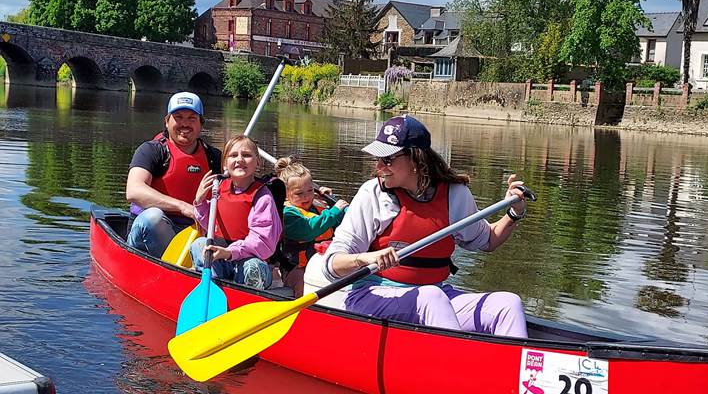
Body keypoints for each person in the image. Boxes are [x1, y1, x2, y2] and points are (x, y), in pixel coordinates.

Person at [318, 115, 529, 338]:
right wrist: (365, 258)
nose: (379, 166)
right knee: (431, 298)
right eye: (378, 158)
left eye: (388, 159)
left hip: (435, 296)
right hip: (372, 297)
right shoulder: (373, 194)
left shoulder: (455, 195)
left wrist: (514, 212)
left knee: (508, 304)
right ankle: (459, 366)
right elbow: (331, 265)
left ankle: (517, 371)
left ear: (416, 159)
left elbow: (488, 240)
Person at [125, 92, 221, 257]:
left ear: (201, 124)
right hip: (153, 230)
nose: (185, 124)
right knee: (153, 217)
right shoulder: (151, 150)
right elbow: (133, 191)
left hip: (192, 232)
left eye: (192, 118)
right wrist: (183, 207)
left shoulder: (214, 157)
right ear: (167, 121)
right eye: (178, 117)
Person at [190, 135, 282, 290]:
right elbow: (211, 225)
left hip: (248, 260)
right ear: (225, 163)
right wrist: (199, 202)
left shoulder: (263, 197)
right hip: (221, 259)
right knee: (199, 245)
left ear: (257, 162)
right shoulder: (219, 188)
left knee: (253, 267)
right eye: (233, 155)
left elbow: (262, 242)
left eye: (246, 155)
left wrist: (229, 252)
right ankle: (210, 286)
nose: (240, 159)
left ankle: (247, 296)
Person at [274, 156, 348, 296]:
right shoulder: (288, 214)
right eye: (299, 193)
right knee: (303, 283)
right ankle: (303, 311)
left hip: (323, 264)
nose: (306, 197)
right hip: (296, 268)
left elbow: (343, 226)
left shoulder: (319, 208)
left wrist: (331, 202)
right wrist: (333, 212)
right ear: (286, 195)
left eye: (310, 191)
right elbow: (309, 230)